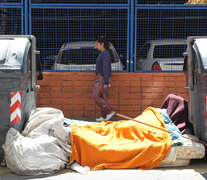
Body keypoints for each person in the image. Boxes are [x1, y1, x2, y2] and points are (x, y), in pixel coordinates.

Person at [92, 36, 115, 122]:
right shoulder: (104, 53)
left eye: (97, 45)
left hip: (102, 78)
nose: (96, 46)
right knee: (102, 96)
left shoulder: (105, 54)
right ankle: (104, 116)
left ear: (102, 44)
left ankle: (110, 110)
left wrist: (105, 81)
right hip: (102, 77)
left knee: (95, 96)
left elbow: (106, 67)